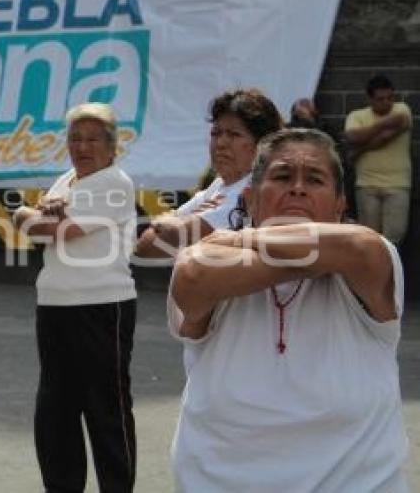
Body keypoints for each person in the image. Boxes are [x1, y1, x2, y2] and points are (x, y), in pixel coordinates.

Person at [168, 128, 408, 492]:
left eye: (314, 179)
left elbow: (358, 249)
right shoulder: (209, 261)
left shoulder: (373, 256)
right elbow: (194, 274)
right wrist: (318, 255)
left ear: (340, 205)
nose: (298, 188)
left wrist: (235, 237)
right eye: (282, 176)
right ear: (249, 200)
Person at [13, 103, 138, 493]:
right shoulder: (66, 181)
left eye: (92, 139)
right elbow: (46, 222)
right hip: (55, 306)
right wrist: (34, 216)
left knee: (106, 411)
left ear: (112, 147)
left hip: (102, 306)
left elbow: (52, 231)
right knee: (55, 412)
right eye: (75, 138)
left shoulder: (115, 182)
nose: (82, 147)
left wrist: (21, 214)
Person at [135, 89, 283, 259]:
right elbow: (145, 245)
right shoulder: (220, 184)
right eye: (216, 133)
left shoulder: (252, 190)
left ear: (262, 143)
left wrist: (170, 222)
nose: (221, 143)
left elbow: (155, 243)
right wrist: (178, 221)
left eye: (234, 135)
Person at [344, 74, 412, 245]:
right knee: (369, 238)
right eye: (380, 99)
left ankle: (391, 271)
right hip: (367, 184)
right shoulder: (356, 115)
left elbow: (386, 135)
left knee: (394, 236)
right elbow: (352, 137)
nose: (387, 103)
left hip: (397, 184)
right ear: (370, 99)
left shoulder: (401, 109)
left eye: (390, 98)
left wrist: (361, 149)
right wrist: (381, 126)